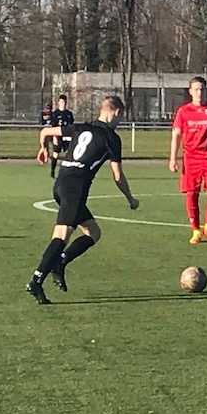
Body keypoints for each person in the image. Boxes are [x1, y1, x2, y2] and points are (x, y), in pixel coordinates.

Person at [26, 96, 139, 305]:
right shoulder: (111, 138)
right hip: (75, 191)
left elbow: (45, 132)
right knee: (61, 236)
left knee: (93, 232)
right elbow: (118, 176)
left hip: (60, 185)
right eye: (121, 117)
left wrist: (43, 148)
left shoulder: (79, 127)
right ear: (116, 112)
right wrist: (131, 199)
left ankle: (61, 262)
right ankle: (36, 280)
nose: (120, 121)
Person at [169, 76, 207, 245]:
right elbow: (176, 135)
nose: (199, 92)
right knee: (191, 194)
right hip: (191, 158)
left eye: (202, 89)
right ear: (190, 91)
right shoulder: (183, 111)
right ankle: (195, 230)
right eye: (196, 89)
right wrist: (173, 158)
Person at [49, 94, 75, 178]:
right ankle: (52, 170)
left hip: (67, 136)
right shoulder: (55, 114)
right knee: (56, 153)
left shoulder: (69, 114)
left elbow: (71, 126)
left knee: (69, 153)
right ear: (58, 103)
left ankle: (67, 172)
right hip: (58, 136)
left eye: (64, 102)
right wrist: (54, 137)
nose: (63, 104)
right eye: (61, 102)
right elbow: (53, 126)